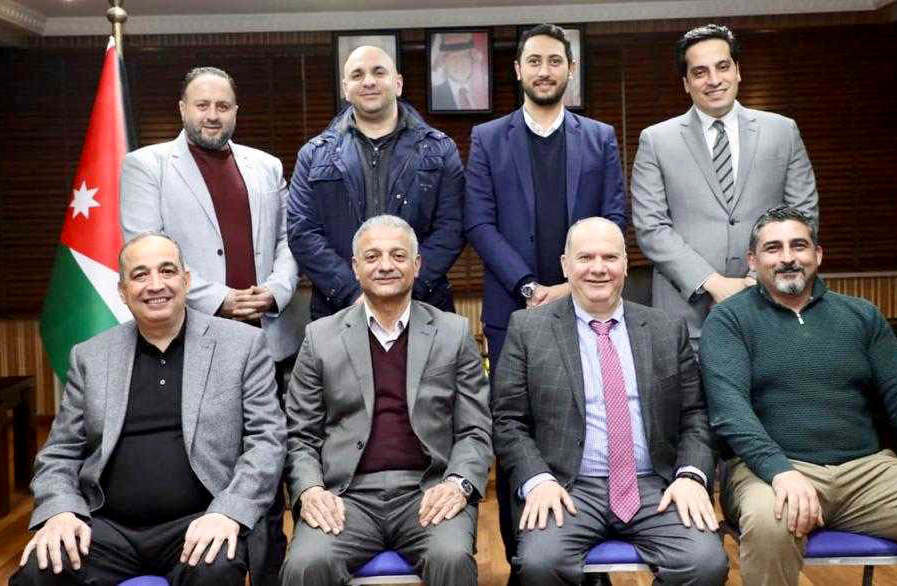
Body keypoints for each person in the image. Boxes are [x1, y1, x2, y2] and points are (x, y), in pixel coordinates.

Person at [700, 206, 897, 585]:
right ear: (753, 261)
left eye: (799, 246)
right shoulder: (729, 320)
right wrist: (780, 471)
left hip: (866, 472)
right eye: (773, 248)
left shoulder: (860, 315)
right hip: (769, 472)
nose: (787, 258)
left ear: (818, 255)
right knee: (770, 524)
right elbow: (730, 411)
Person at [12, 233, 286, 586]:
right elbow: (60, 453)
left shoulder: (242, 346)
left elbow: (267, 443)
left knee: (214, 570)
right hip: (106, 528)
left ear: (186, 280)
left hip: (201, 522)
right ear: (122, 291)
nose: (156, 285)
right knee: (38, 572)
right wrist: (61, 510)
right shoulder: (90, 356)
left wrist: (228, 512)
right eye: (140, 275)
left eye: (167, 271)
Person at [120, 66, 304, 581]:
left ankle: (270, 573)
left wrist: (276, 291)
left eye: (222, 106)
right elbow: (143, 247)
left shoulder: (266, 166)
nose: (212, 115)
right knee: (211, 463)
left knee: (271, 466)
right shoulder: (147, 166)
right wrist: (222, 299)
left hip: (268, 339)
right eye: (202, 105)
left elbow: (289, 240)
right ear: (183, 108)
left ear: (236, 111)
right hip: (194, 340)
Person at [464, 24, 626, 580]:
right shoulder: (488, 139)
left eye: (555, 61)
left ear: (570, 70)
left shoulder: (599, 137)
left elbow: (614, 217)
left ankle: (591, 558)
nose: (544, 71)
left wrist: (572, 286)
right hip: (515, 311)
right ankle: (522, 560)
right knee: (517, 428)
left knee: (590, 422)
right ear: (517, 70)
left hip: (590, 305)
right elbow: (479, 222)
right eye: (534, 61)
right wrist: (530, 287)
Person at [494, 217, 728, 586]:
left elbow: (695, 415)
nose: (598, 268)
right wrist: (538, 480)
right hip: (566, 487)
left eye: (610, 257)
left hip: (654, 485)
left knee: (705, 562)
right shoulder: (528, 329)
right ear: (565, 265)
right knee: (540, 563)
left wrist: (690, 476)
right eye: (585, 257)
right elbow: (508, 420)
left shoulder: (666, 329)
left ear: (625, 264)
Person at [281, 215, 492, 586]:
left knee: (451, 558)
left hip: (428, 490)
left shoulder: (453, 333)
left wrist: (457, 483)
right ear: (355, 267)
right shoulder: (320, 338)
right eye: (372, 256)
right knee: (305, 564)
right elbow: (300, 435)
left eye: (398, 255)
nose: (385, 265)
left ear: (417, 264)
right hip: (347, 496)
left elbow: (475, 429)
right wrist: (311, 489)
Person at [631, 24, 818, 349]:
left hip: (771, 303)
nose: (714, 80)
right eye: (700, 72)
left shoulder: (783, 132)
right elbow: (651, 228)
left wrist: (755, 280)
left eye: (722, 66)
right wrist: (714, 283)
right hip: (685, 315)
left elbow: (803, 216)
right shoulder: (656, 140)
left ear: (737, 71)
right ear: (686, 83)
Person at [288, 45, 465, 321]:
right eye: (357, 75)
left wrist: (404, 290)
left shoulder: (440, 150)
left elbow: (452, 228)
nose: (368, 81)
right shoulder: (313, 155)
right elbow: (302, 232)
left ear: (398, 84)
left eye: (378, 72)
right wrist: (353, 294)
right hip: (340, 311)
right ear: (346, 89)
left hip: (424, 307)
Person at [431, 33, 485, 111]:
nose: (460, 63)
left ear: (472, 60)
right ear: (444, 64)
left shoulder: (486, 88)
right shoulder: (434, 98)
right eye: (453, 58)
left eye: (464, 56)